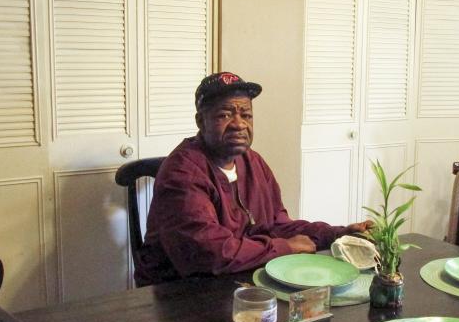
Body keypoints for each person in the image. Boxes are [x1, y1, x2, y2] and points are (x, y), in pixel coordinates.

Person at [136, 71, 371, 286]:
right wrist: (284, 248)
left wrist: (338, 233)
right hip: (180, 291)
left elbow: (277, 224)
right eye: (225, 114)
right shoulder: (182, 173)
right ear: (201, 121)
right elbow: (209, 253)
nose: (239, 124)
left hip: (238, 277)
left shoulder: (253, 161)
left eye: (246, 115)